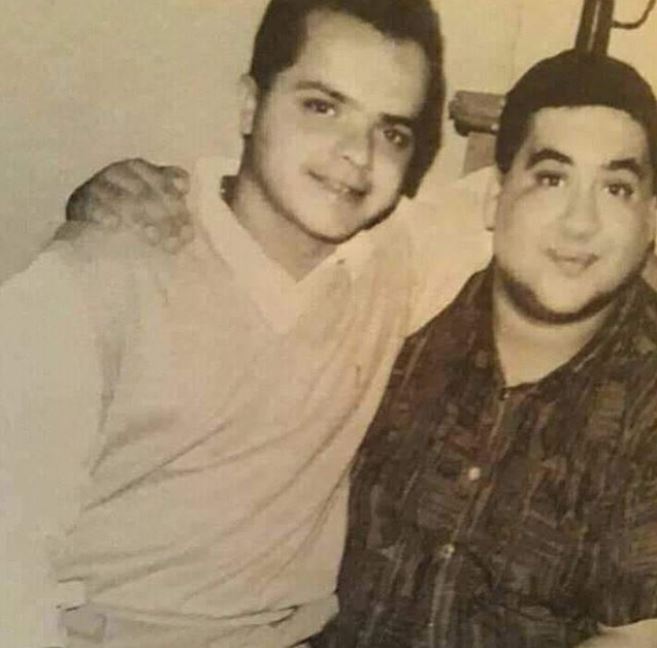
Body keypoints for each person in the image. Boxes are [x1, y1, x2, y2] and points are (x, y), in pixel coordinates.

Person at [0, 1, 493, 646]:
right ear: (248, 106)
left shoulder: (393, 261)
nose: (357, 154)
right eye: (322, 106)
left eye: (392, 132)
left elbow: (530, 198)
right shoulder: (98, 278)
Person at [316, 49, 657, 648]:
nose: (580, 222)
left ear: (650, 220)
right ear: (495, 198)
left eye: (615, 188)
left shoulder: (646, 402)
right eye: (551, 179)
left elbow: (637, 638)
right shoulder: (408, 304)